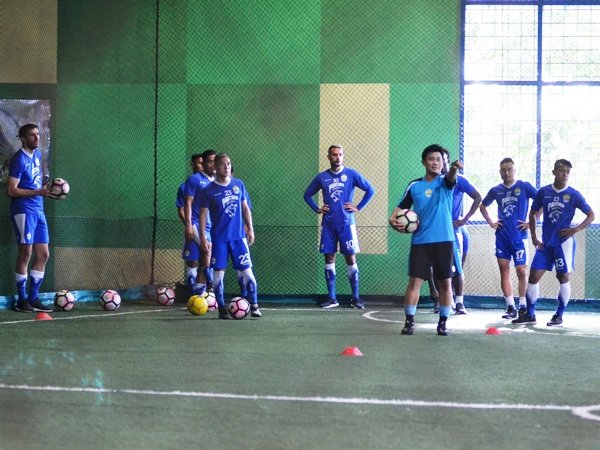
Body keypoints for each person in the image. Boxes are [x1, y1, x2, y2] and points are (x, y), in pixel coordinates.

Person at [389, 144, 462, 336]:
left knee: (445, 283)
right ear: (424, 162)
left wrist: (453, 168)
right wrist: (392, 220)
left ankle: (443, 323)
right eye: (431, 159)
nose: (436, 162)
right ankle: (409, 321)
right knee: (415, 282)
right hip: (420, 241)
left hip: (444, 240)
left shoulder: (445, 182)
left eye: (439, 159)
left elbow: (451, 178)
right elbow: (399, 209)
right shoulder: (415, 185)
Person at [512, 159, 595, 326]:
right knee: (533, 276)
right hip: (545, 244)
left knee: (562, 276)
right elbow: (532, 214)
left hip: (563, 244)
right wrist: (534, 237)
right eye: (562, 171)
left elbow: (591, 215)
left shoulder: (574, 194)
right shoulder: (544, 192)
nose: (565, 174)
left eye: (568, 172)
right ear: (554, 172)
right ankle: (530, 314)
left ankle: (559, 315)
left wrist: (574, 230)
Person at [303, 144, 375, 310]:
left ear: (343, 156)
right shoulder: (322, 177)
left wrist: (358, 207)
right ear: (328, 157)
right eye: (334, 155)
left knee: (350, 258)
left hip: (347, 224)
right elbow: (307, 195)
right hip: (328, 225)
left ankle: (356, 298)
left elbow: (370, 190)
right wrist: (317, 209)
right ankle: (332, 298)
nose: (337, 157)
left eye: (340, 154)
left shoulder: (351, 174)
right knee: (329, 258)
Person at [199, 153, 260, 319]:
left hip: (238, 238)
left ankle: (254, 305)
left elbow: (245, 208)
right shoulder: (208, 191)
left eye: (229, 164)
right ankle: (222, 308)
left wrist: (250, 228)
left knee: (248, 273)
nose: (226, 167)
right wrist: (203, 237)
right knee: (219, 275)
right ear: (215, 167)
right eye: (222, 164)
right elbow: (203, 215)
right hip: (219, 240)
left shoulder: (238, 184)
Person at [480, 158, 537, 319]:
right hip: (502, 238)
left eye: (509, 169)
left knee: (521, 271)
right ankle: (510, 306)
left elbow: (541, 201)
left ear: (514, 170)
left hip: (520, 238)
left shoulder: (524, 186)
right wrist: (491, 221)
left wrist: (531, 221)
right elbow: (483, 205)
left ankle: (523, 305)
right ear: (500, 172)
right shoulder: (496, 190)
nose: (506, 172)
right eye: (503, 169)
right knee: (504, 270)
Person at [7, 124, 55, 313]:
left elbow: (36, 180)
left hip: (38, 210)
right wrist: (38, 191)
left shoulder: (38, 156)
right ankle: (22, 300)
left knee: (43, 254)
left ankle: (34, 298)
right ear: (22, 138)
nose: (36, 138)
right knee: (26, 254)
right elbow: (11, 190)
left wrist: (52, 188)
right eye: (32, 135)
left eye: (37, 134)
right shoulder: (18, 159)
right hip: (23, 210)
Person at [184, 149, 217, 296]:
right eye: (210, 161)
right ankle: (210, 287)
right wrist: (189, 224)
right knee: (207, 248)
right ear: (203, 163)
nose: (213, 164)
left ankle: (198, 290)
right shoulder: (195, 179)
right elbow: (188, 203)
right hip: (197, 222)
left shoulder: (216, 180)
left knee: (205, 255)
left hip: (211, 225)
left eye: (215, 161)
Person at [176, 153, 203, 295]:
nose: (202, 165)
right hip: (192, 227)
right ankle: (192, 294)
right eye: (199, 163)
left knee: (207, 261)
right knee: (192, 260)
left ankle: (204, 293)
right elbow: (180, 209)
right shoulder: (184, 187)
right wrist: (189, 226)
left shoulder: (211, 184)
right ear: (192, 164)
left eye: (203, 163)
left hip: (208, 229)